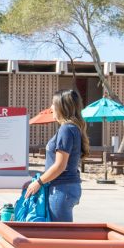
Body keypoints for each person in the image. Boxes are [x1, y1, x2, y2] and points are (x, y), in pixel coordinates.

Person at [24, 89, 90, 222]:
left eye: (53, 104)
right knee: (60, 234)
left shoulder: (66, 129)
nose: (51, 108)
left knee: (61, 236)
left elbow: (60, 166)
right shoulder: (72, 128)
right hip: (66, 187)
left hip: (61, 189)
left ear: (62, 107)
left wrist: (39, 182)